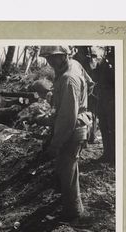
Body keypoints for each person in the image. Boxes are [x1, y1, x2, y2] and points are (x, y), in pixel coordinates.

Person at [35, 46, 92, 221]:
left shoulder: (69, 78)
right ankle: (69, 207)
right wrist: (78, 101)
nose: (50, 62)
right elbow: (89, 84)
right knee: (67, 170)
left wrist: (55, 144)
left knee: (68, 172)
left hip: (73, 130)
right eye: (48, 58)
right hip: (77, 123)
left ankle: (74, 214)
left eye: (54, 57)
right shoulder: (73, 65)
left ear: (64, 56)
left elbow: (67, 119)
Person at [94, 47, 115, 163]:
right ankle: (107, 153)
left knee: (112, 127)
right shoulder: (104, 60)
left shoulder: (115, 61)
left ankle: (114, 156)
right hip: (102, 95)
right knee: (103, 126)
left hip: (111, 97)